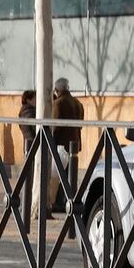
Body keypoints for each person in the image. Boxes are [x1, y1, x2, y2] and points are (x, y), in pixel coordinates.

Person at [49, 78, 85, 214]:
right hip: (74, 144)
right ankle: (69, 200)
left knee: (58, 176)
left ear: (57, 90)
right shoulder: (78, 103)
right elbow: (80, 125)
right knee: (70, 175)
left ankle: (59, 202)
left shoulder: (58, 104)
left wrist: (51, 143)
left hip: (61, 145)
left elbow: (56, 127)